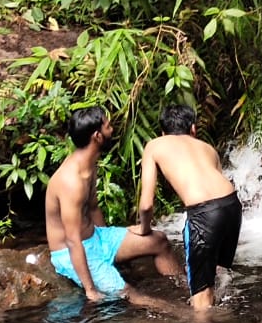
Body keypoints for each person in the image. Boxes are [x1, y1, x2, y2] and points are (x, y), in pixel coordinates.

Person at [46, 105, 184, 303]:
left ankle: (186, 290)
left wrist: (113, 251)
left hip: (97, 237)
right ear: (97, 136)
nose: (112, 130)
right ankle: (190, 319)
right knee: (130, 293)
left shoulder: (89, 163)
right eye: (108, 126)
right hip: (71, 251)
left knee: (159, 240)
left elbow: (93, 207)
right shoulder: (71, 182)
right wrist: (90, 289)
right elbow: (72, 240)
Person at [137, 104, 242, 312]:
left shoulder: (155, 145)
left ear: (163, 132)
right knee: (220, 276)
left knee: (200, 298)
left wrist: (144, 230)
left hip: (204, 214)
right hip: (232, 206)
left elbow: (146, 204)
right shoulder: (208, 148)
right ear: (193, 129)